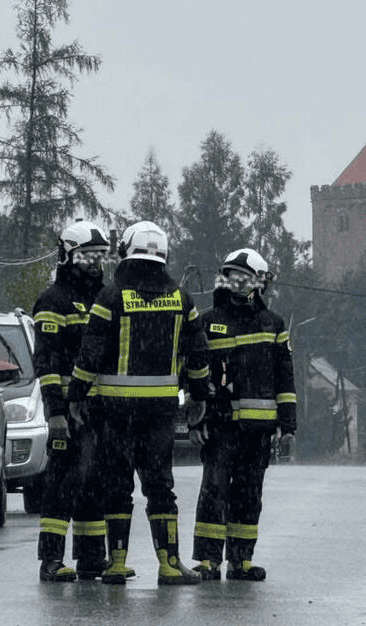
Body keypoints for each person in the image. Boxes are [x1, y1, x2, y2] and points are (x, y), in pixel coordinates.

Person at [68, 220, 211, 585]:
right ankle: (169, 564)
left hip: (114, 411)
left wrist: (76, 395)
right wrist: (199, 397)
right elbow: (198, 356)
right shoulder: (182, 299)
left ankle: (116, 563)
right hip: (160, 413)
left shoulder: (110, 297)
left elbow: (90, 354)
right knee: (160, 486)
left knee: (118, 485)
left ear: (126, 253)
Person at [188, 249, 296, 582]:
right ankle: (208, 560)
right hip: (219, 427)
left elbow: (285, 378)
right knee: (214, 490)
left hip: (259, 430)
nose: (238, 284)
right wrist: (196, 418)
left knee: (249, 495)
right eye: (232, 277)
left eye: (245, 278)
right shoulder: (207, 322)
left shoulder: (273, 324)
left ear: (260, 282)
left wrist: (288, 425)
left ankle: (241, 560)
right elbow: (193, 375)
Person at [31, 220, 110, 582]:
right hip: (67, 410)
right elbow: (46, 361)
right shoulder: (53, 300)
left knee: (94, 481)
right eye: (86, 255)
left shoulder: (105, 297)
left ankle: (91, 557)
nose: (95, 262)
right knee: (62, 482)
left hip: (101, 409)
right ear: (67, 255)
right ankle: (51, 559)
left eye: (99, 255)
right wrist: (55, 412)